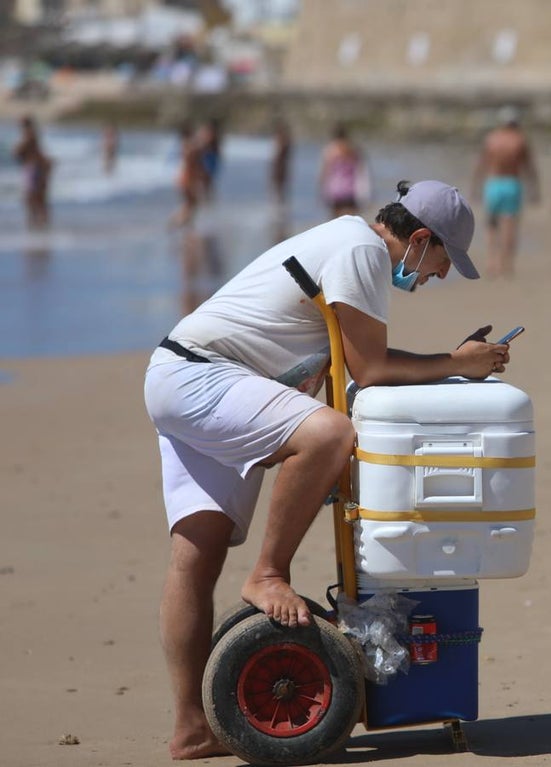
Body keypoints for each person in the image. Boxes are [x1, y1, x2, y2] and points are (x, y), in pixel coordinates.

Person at [144, 179, 509, 760]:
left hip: (176, 371)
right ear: (419, 239)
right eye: (443, 261)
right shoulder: (363, 249)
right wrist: (458, 364)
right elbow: (371, 369)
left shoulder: (346, 241)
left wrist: (451, 364)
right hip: (203, 377)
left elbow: (355, 366)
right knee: (330, 433)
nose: (438, 276)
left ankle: (192, 728)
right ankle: (267, 573)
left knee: (196, 554)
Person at [471, 106, 540, 278]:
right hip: (512, 183)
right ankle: (507, 264)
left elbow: (482, 164)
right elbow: (529, 167)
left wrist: (476, 187)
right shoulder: (520, 140)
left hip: (494, 183)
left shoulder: (492, 139)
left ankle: (491, 262)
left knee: (491, 225)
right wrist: (534, 189)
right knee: (510, 225)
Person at [318, 123, 369, 218]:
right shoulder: (353, 149)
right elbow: (361, 171)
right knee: (351, 219)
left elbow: (325, 173)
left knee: (335, 220)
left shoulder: (330, 150)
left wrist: (322, 191)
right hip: (350, 190)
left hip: (335, 190)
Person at [12, 115, 53, 230]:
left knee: (32, 196)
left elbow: (20, 150)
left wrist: (16, 151)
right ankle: (39, 220)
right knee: (37, 196)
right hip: (34, 167)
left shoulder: (29, 134)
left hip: (33, 168)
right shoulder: (31, 135)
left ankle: (35, 220)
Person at [171, 122, 205, 228]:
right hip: (187, 178)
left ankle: (184, 224)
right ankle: (177, 222)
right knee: (190, 204)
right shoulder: (189, 146)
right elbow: (196, 154)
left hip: (186, 178)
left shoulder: (186, 145)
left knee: (192, 204)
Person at [198, 117, 224, 201]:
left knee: (207, 177)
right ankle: (206, 196)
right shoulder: (212, 133)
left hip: (210, 157)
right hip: (209, 157)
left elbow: (208, 145)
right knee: (206, 178)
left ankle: (207, 196)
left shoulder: (213, 134)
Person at [269, 120, 292, 205]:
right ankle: (279, 208)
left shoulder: (282, 142)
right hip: (282, 168)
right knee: (279, 191)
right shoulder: (286, 142)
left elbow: (276, 157)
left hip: (280, 169)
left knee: (279, 191)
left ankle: (279, 208)